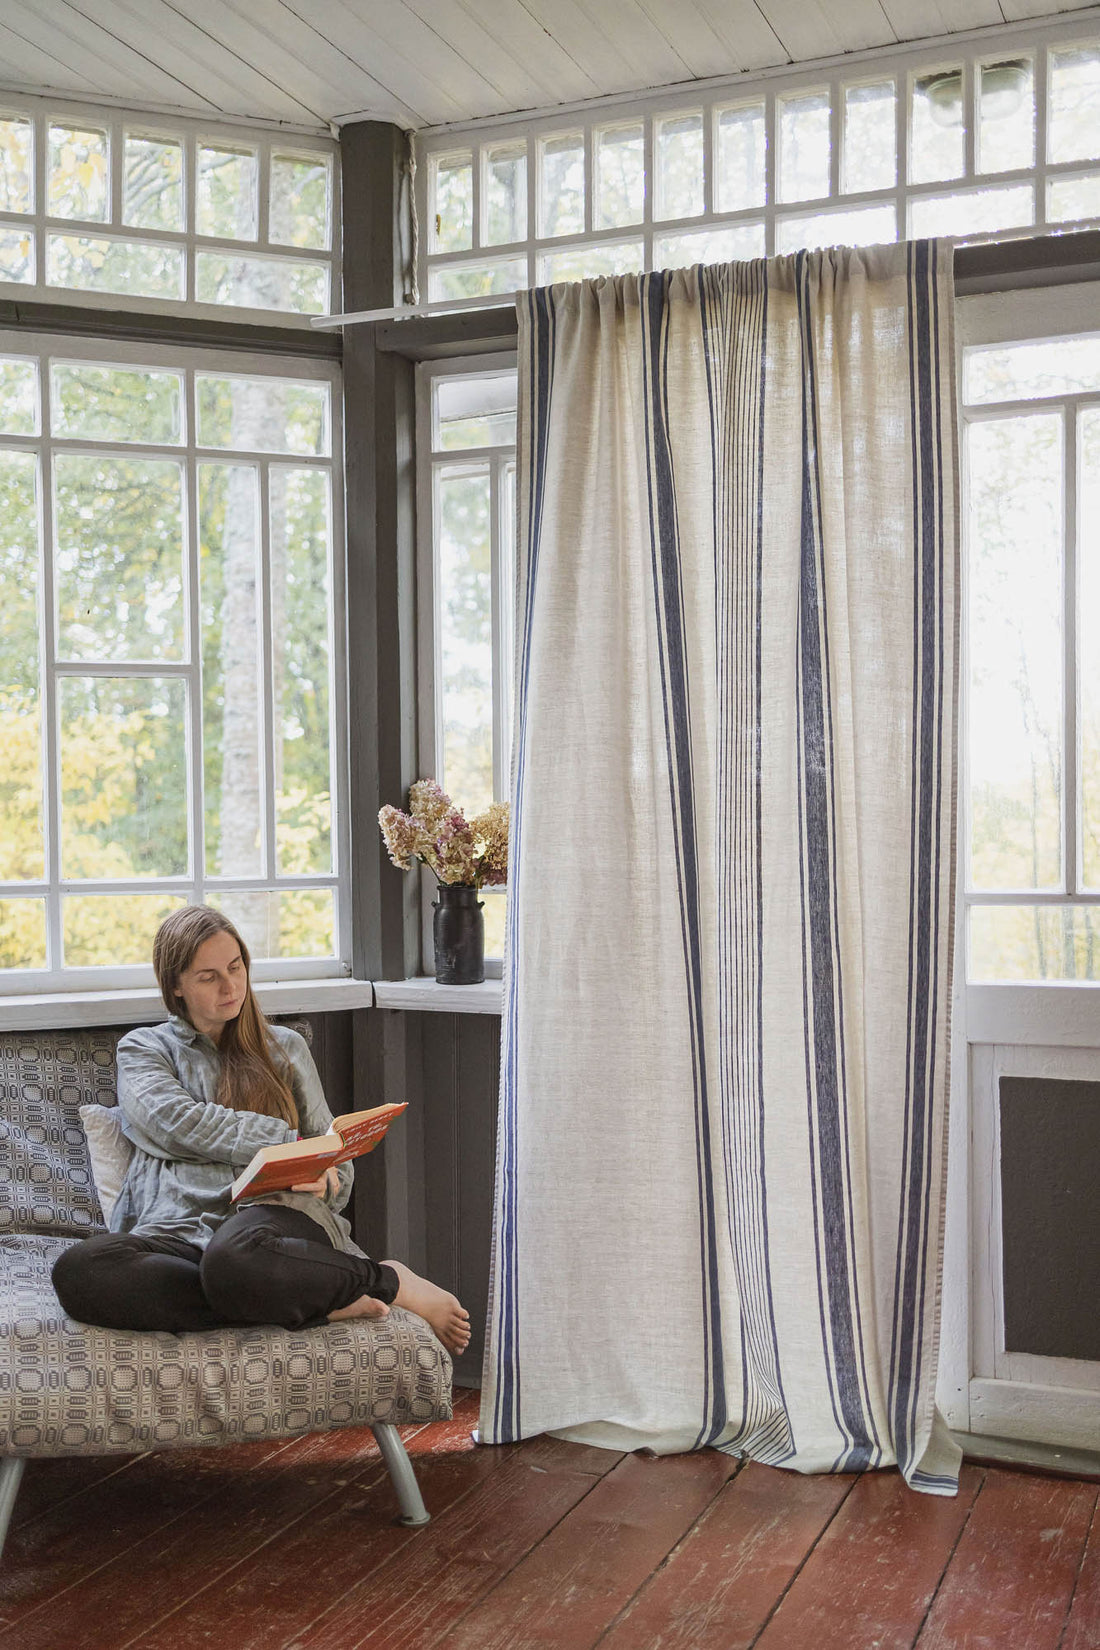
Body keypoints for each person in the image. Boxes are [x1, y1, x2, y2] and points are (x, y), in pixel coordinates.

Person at [51, 905, 471, 1356]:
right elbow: (174, 1122)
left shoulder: (285, 1049)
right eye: (208, 976)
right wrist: (288, 1144)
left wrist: (320, 1171)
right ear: (176, 985)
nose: (230, 986)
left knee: (234, 1259)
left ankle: (389, 1279)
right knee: (80, 1270)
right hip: (177, 1233)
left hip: (269, 1230)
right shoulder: (144, 1049)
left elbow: (339, 1173)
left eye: (235, 967)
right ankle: (308, 1303)